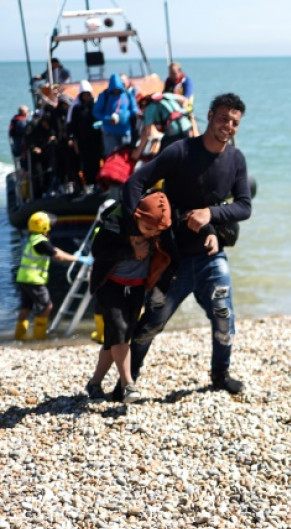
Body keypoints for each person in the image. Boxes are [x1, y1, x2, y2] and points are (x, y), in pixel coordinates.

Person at [121, 93, 251, 399]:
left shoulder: (236, 159)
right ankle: (128, 381)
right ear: (209, 116)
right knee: (151, 325)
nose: (228, 126)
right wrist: (135, 232)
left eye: (234, 122)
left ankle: (220, 376)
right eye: (223, 118)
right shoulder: (180, 151)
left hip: (210, 255)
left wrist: (212, 215)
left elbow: (244, 206)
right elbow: (135, 183)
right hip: (172, 258)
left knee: (224, 320)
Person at [84, 192, 172, 403]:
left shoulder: (156, 233)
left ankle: (94, 383)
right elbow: (99, 250)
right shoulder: (116, 224)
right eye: (148, 229)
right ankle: (128, 385)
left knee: (115, 338)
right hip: (110, 285)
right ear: (137, 216)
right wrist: (130, 252)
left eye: (156, 231)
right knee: (120, 331)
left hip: (136, 288)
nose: (151, 234)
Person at [14, 211, 91, 340]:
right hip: (34, 280)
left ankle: (18, 337)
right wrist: (77, 259)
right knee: (46, 306)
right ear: (44, 226)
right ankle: (39, 337)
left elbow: (54, 249)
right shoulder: (41, 242)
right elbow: (58, 256)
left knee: (25, 308)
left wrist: (73, 255)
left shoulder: (34, 239)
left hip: (23, 278)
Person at [131, 92, 194, 160]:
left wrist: (138, 151)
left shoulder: (149, 109)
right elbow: (184, 99)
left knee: (163, 157)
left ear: (143, 105)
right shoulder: (166, 96)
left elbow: (146, 133)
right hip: (187, 127)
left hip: (173, 134)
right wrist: (181, 110)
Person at [66, 80, 104, 186]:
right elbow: (72, 125)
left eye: (88, 94)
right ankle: (89, 183)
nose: (86, 97)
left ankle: (98, 183)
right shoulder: (77, 109)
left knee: (96, 161)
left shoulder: (95, 106)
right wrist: (73, 139)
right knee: (86, 163)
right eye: (84, 95)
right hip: (82, 141)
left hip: (96, 140)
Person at [93, 73, 139, 156]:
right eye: (114, 90)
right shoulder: (104, 95)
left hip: (125, 132)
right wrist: (108, 119)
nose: (116, 91)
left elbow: (134, 110)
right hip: (110, 133)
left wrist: (124, 115)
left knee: (125, 157)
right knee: (111, 157)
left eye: (117, 89)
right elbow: (96, 112)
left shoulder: (128, 94)